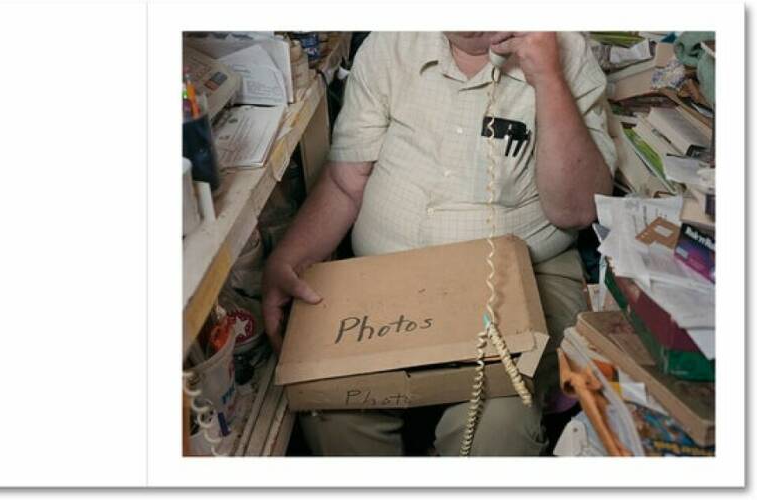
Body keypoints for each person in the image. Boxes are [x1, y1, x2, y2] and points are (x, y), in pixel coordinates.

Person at [260, 32, 616, 456]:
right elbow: (345, 183)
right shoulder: (391, 44)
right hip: (388, 279)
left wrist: (548, 77)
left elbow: (577, 210)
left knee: (500, 423)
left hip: (525, 273)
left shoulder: (566, 50)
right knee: (331, 408)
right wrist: (289, 256)